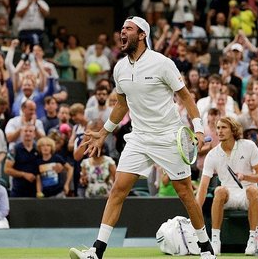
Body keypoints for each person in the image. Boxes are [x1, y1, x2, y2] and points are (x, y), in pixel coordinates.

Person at [69, 16, 215, 259]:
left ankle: (205, 247)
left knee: (185, 194)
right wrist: (104, 132)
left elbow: (186, 97)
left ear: (141, 35)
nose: (122, 33)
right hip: (138, 138)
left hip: (169, 137)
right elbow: (121, 105)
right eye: (122, 29)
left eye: (128, 29)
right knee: (118, 189)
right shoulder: (119, 68)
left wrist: (198, 129)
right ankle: (97, 251)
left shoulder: (163, 63)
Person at [196, 117, 258, 256]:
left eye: (224, 127)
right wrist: (195, 210)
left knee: (253, 189)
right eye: (218, 128)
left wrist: (245, 177)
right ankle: (215, 241)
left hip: (249, 194)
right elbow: (203, 187)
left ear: (233, 130)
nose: (220, 131)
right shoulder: (212, 154)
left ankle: (252, 240)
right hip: (228, 196)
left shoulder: (249, 146)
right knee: (219, 190)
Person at [4, 124, 39, 197]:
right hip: (18, 190)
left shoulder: (39, 149)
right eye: (25, 131)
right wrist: (24, 174)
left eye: (30, 131)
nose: (28, 133)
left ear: (34, 134)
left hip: (36, 190)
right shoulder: (14, 150)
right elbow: (7, 169)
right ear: (21, 133)